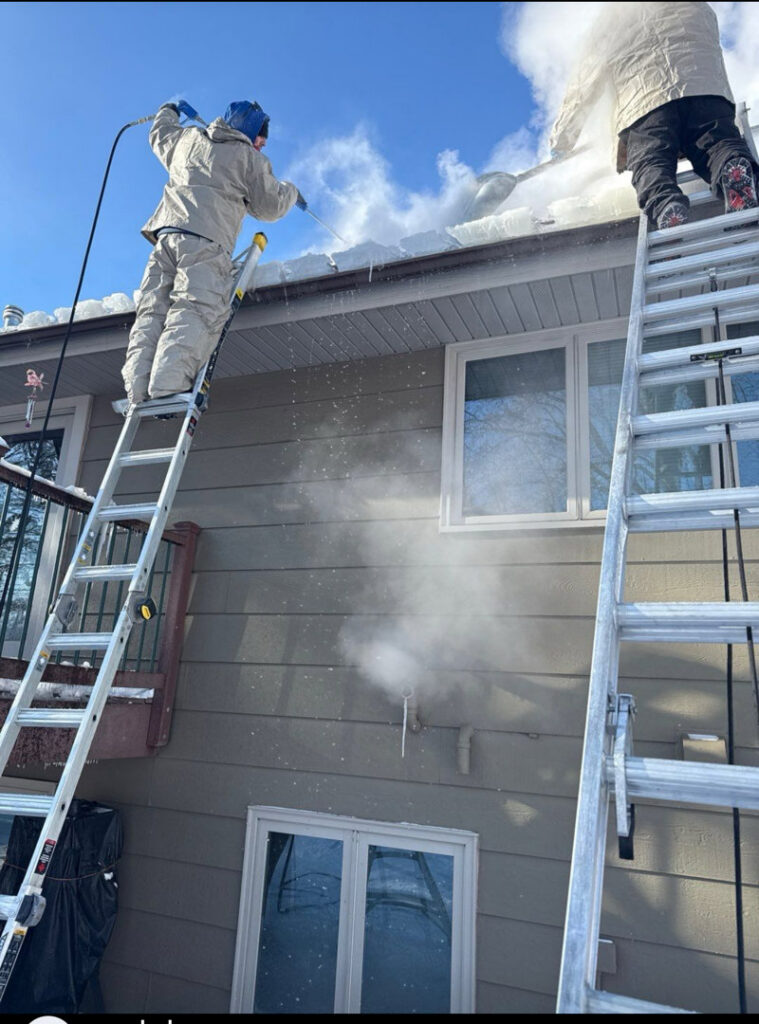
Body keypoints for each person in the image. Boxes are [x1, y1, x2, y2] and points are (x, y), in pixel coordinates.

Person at [122, 99, 305, 405]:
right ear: (251, 131)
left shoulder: (187, 139)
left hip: (165, 238)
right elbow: (270, 205)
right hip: (206, 242)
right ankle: (167, 385)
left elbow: (160, 133)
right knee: (195, 307)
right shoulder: (248, 159)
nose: (261, 145)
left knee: (152, 311)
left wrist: (169, 110)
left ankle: (137, 388)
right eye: (261, 138)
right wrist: (291, 191)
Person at [549, 2, 759, 231]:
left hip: (646, 100)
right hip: (705, 89)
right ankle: (732, 169)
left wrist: (563, 139)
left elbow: (585, 78)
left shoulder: (614, 14)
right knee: (716, 144)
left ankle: (666, 204)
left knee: (650, 162)